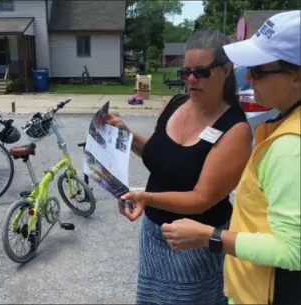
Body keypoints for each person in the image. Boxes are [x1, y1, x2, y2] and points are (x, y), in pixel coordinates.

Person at [160, 10, 301, 305]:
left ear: (296, 76)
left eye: (260, 69)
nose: (248, 76)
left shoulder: (290, 146)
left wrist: (209, 236)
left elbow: (292, 251)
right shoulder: (285, 124)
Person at [106, 29, 252, 305]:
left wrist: (146, 198)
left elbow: (201, 199)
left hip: (194, 246)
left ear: (226, 70)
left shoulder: (235, 128)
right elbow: (160, 155)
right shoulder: (177, 103)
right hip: (155, 236)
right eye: (186, 73)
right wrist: (124, 134)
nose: (191, 80)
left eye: (201, 72)